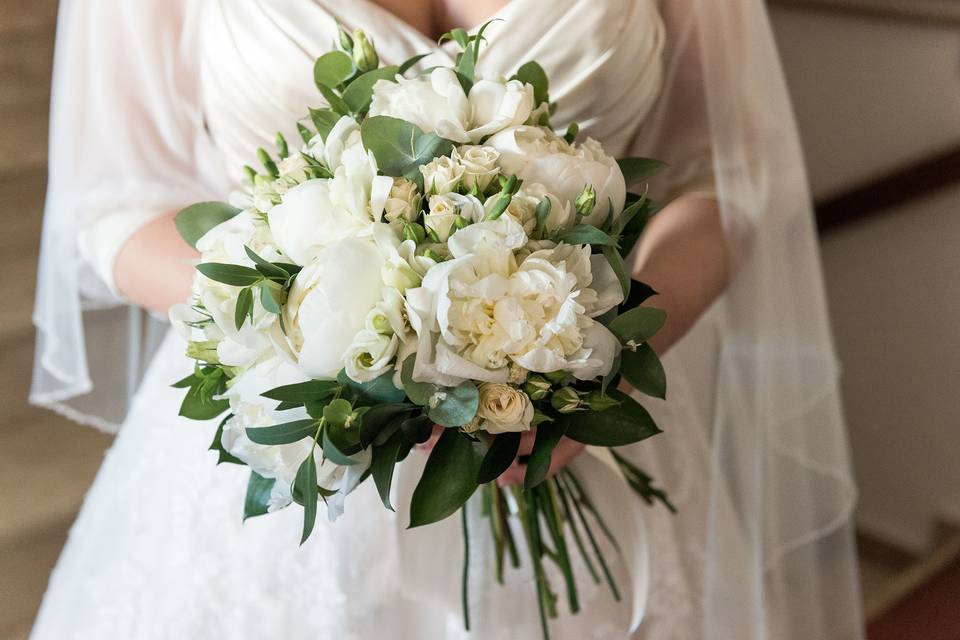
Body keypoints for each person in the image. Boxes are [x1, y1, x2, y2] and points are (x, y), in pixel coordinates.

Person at [29, 1, 864, 638]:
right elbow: (114, 205)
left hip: (574, 417)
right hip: (289, 423)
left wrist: (588, 358)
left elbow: (722, 176)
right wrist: (314, 331)